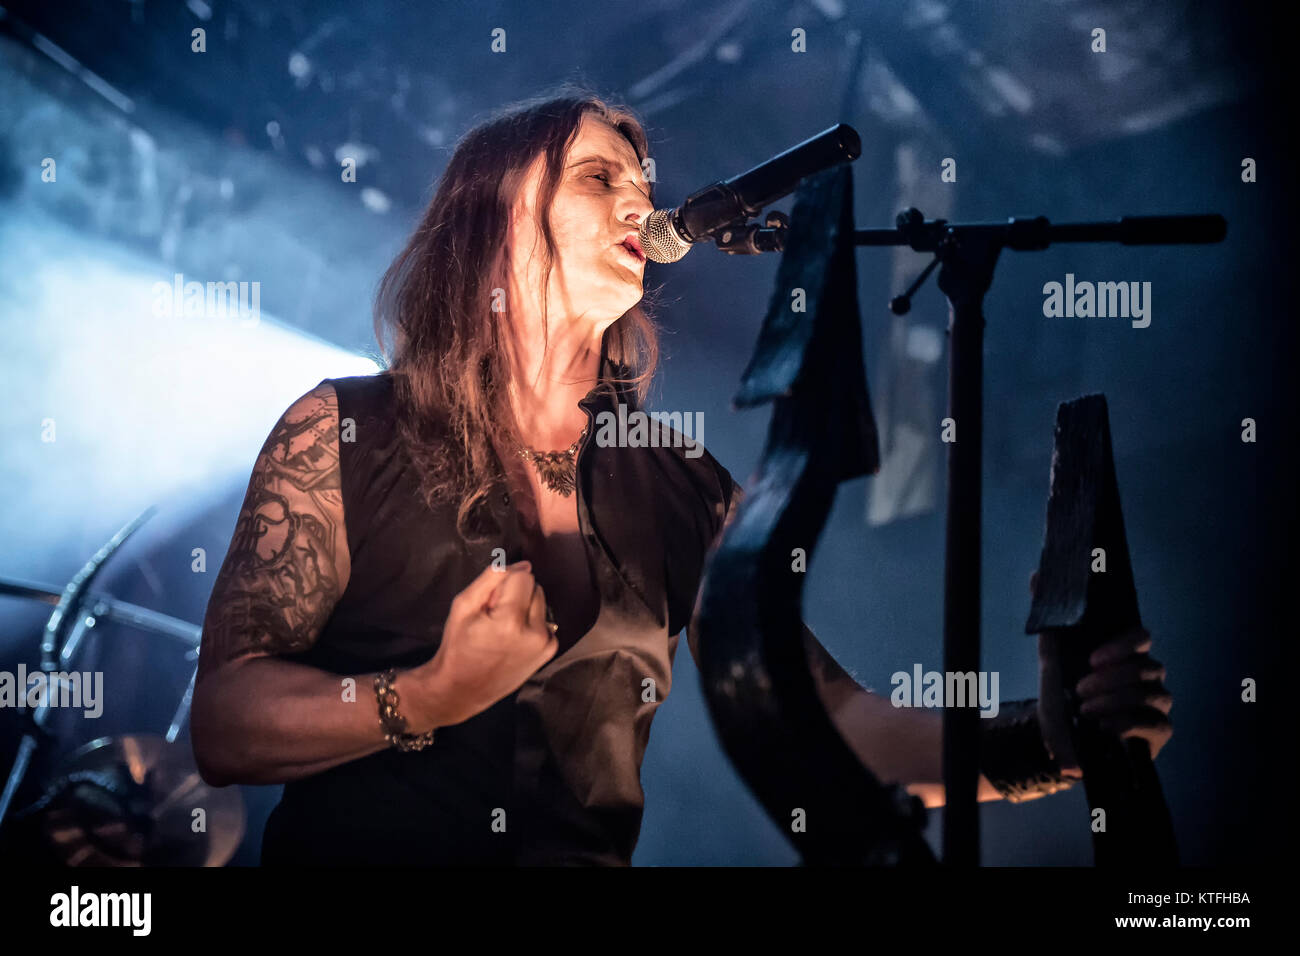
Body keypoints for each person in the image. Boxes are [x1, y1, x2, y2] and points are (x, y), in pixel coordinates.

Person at [189, 87, 1173, 865]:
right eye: (596, 175)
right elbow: (225, 723)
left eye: (642, 177)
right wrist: (425, 698)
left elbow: (825, 713)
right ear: (497, 210)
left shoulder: (686, 484)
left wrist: (1044, 745)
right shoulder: (343, 427)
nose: (641, 198)